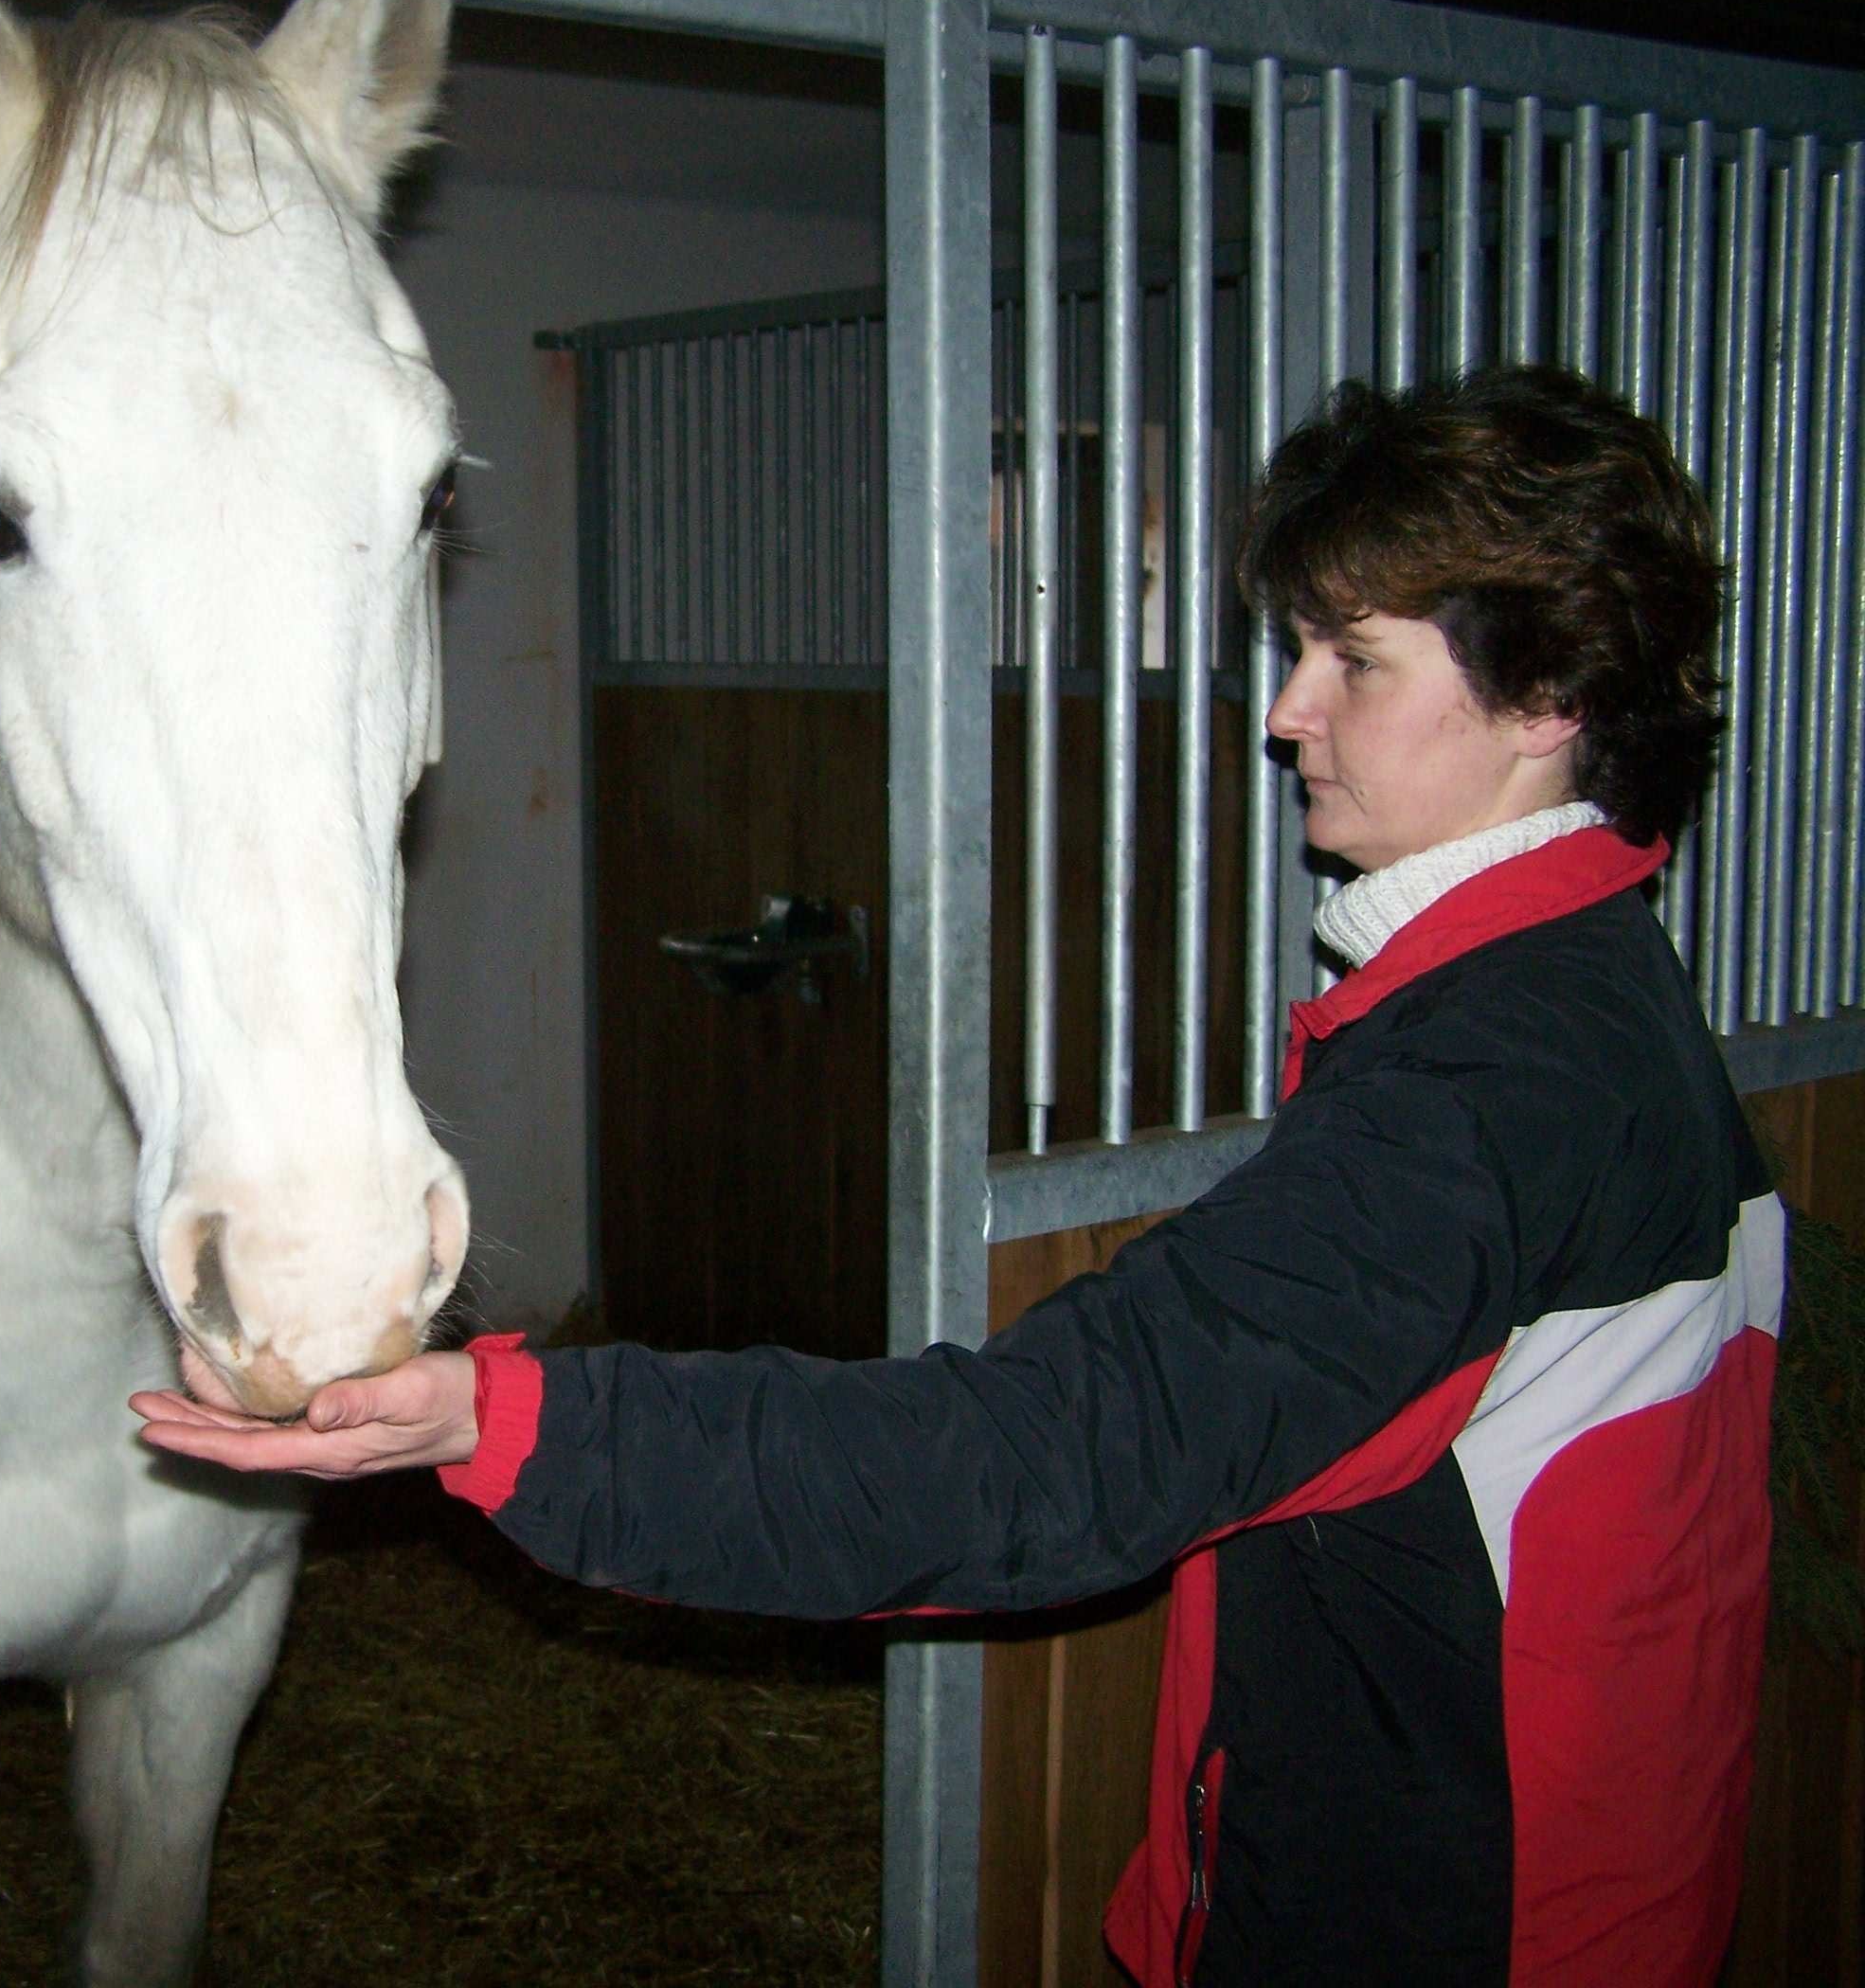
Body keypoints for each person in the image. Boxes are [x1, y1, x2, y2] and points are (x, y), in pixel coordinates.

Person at [132, 364, 1783, 1987]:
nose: (1288, 712)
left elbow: (1041, 1464)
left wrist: (511, 1423)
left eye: (1352, 659)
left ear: (1550, 699)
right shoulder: (1603, 991)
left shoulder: (1483, 1091)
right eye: (1297, 650)